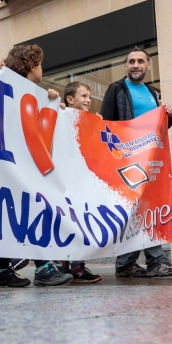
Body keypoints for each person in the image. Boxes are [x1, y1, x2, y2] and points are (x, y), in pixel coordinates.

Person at [0, 45, 73, 288]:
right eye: (39, 64)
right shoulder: (5, 83)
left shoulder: (34, 94)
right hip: (15, 161)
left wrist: (54, 107)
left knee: (21, 211)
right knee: (34, 208)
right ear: (30, 66)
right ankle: (43, 268)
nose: (42, 69)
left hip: (19, 162)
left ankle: (2, 269)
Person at [100, 47, 172, 278]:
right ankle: (156, 262)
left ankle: (125, 265)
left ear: (148, 66)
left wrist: (169, 115)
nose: (135, 65)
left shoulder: (153, 93)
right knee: (141, 209)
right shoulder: (117, 89)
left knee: (144, 209)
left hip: (151, 162)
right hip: (126, 161)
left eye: (140, 61)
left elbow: (159, 128)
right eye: (131, 61)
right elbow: (106, 125)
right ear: (126, 66)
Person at [58, 81, 103, 284]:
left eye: (89, 97)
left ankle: (78, 265)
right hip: (65, 178)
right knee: (66, 222)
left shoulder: (91, 120)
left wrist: (98, 126)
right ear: (70, 99)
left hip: (83, 179)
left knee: (82, 221)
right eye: (83, 96)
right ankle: (63, 264)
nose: (88, 100)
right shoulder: (60, 115)